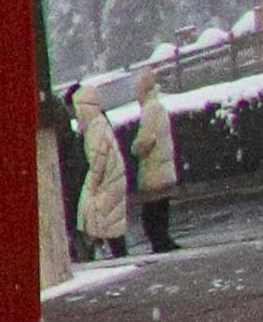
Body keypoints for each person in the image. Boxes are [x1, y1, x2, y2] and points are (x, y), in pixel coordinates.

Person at [75, 75, 136, 261]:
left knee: (97, 219)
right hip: (113, 179)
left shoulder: (94, 129)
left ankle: (100, 254)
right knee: (110, 222)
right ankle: (119, 254)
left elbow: (97, 161)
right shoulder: (100, 123)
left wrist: (90, 186)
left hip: (107, 182)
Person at [133, 67, 189, 253]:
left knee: (152, 212)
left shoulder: (150, 109)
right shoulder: (158, 106)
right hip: (162, 165)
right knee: (161, 208)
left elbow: (145, 140)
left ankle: (161, 244)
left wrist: (135, 149)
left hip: (153, 167)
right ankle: (164, 242)